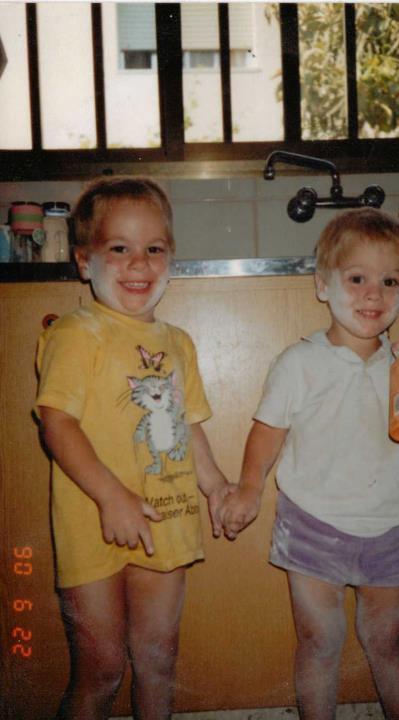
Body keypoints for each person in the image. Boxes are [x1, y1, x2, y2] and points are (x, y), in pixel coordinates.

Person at [220, 208, 399, 720]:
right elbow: (267, 432)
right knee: (318, 641)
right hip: (312, 524)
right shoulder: (298, 363)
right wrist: (248, 489)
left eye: (390, 281)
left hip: (389, 523)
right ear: (323, 285)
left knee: (388, 641)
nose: (374, 293)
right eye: (357, 278)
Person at [36, 176, 233, 720]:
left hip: (166, 517)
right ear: (83, 262)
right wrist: (112, 497)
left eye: (154, 249)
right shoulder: (77, 333)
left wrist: (215, 485)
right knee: (100, 670)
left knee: (158, 659)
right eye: (118, 249)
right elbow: (57, 424)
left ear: (171, 259)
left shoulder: (179, 344)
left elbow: (187, 423)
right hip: (91, 521)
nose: (139, 264)